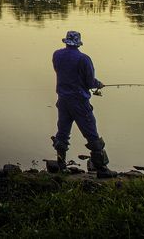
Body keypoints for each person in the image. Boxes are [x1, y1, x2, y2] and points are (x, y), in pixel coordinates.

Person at [50, 30, 114, 177]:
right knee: (92, 133)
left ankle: (61, 166)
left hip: (63, 100)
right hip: (79, 101)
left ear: (66, 41)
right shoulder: (84, 59)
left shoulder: (57, 55)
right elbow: (90, 82)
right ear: (78, 43)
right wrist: (99, 84)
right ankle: (102, 169)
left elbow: (59, 70)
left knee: (62, 133)